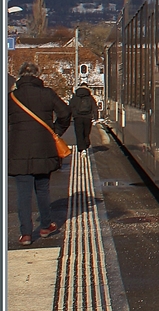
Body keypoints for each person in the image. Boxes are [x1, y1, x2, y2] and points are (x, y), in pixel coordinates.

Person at [9, 62, 71, 246]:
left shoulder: (11, 97)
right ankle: (45, 226)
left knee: (23, 193)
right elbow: (65, 112)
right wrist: (56, 131)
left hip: (18, 152)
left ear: (20, 76)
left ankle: (26, 234)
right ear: (37, 76)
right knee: (42, 188)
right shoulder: (47, 94)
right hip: (44, 150)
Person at [69, 84, 98, 153]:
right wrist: (95, 117)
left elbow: (71, 106)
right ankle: (86, 141)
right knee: (86, 132)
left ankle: (81, 148)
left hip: (77, 117)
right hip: (88, 117)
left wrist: (72, 115)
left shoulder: (75, 96)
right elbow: (94, 107)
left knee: (79, 133)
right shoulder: (90, 97)